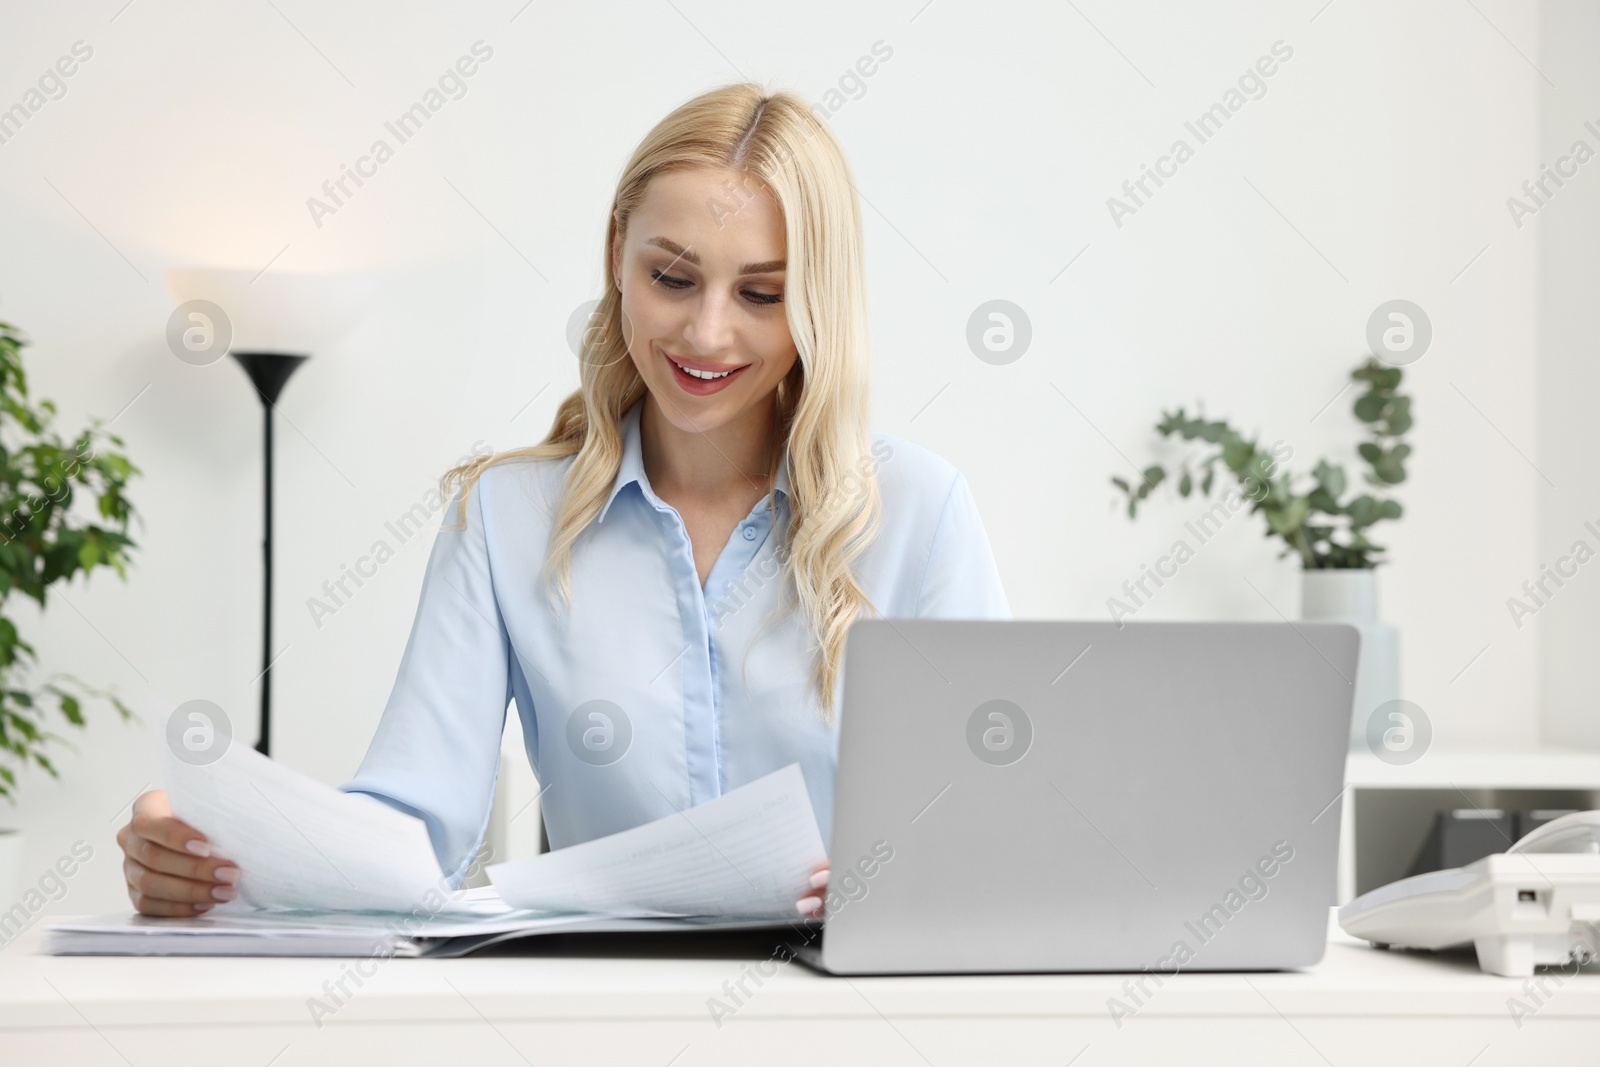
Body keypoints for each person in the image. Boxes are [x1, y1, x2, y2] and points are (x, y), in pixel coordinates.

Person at [116, 82, 1009, 919]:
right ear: (618, 252)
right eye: (672, 277)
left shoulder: (918, 513)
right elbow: (409, 831)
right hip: (605, 1018)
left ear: (819, 299)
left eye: (762, 294)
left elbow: (994, 830)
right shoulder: (503, 520)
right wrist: (214, 852)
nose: (706, 332)